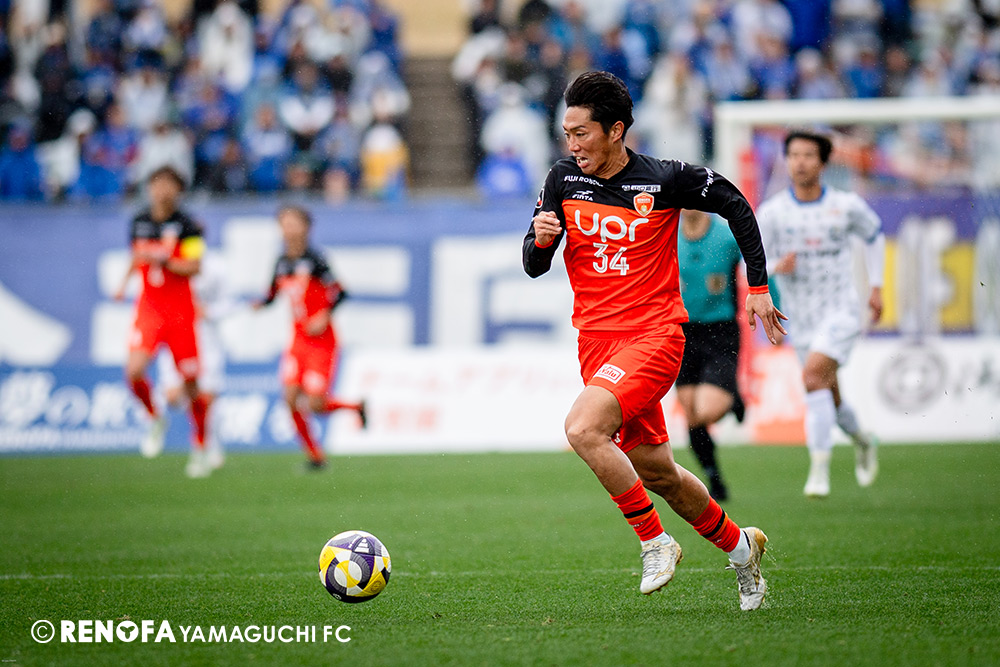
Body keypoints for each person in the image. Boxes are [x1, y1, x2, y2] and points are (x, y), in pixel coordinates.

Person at [522, 71, 786, 610]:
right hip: (596, 344)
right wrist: (541, 241)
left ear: (616, 130)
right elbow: (533, 263)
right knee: (658, 472)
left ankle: (654, 541)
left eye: (581, 133)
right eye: (567, 134)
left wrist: (758, 286)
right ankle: (742, 550)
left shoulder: (664, 179)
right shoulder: (562, 178)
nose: (572, 145)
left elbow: (736, 204)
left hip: (655, 336)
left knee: (582, 428)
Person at [756, 130, 884, 498]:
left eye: (808, 155)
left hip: (842, 310)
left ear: (823, 163)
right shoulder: (773, 212)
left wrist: (876, 286)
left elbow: (875, 235)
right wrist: (778, 266)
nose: (800, 162)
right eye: (794, 155)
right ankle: (862, 439)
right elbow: (754, 262)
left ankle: (819, 471)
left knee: (812, 377)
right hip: (801, 317)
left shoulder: (845, 205)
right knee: (828, 390)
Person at [255, 205, 366, 470]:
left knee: (316, 403)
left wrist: (324, 315)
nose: (289, 229)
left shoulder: (316, 260)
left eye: (294, 223)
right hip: (297, 341)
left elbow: (341, 292)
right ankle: (315, 455)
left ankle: (355, 407)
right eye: (284, 223)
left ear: (306, 227)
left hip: (322, 342)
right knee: (290, 398)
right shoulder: (281, 263)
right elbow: (272, 294)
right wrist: (260, 304)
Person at [119, 165, 211, 474]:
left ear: (179, 190)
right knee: (134, 370)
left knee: (191, 384)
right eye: (157, 184)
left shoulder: (189, 225)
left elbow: (195, 266)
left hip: (181, 313)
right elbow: (137, 257)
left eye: (169, 185)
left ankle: (200, 445)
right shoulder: (139, 222)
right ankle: (154, 416)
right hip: (149, 309)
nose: (162, 190)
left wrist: (166, 259)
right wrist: (123, 283)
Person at [675, 209, 745, 502]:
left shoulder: (726, 237)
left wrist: (770, 301)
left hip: (720, 330)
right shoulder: (667, 234)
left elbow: (759, 266)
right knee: (691, 416)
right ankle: (714, 478)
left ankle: (733, 396)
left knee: (705, 411)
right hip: (680, 331)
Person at [147, 253, 233, 477]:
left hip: (207, 340)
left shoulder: (215, 267)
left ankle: (203, 447)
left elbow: (229, 302)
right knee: (174, 396)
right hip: (176, 335)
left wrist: (209, 311)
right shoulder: (166, 264)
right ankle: (206, 438)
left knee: (206, 396)